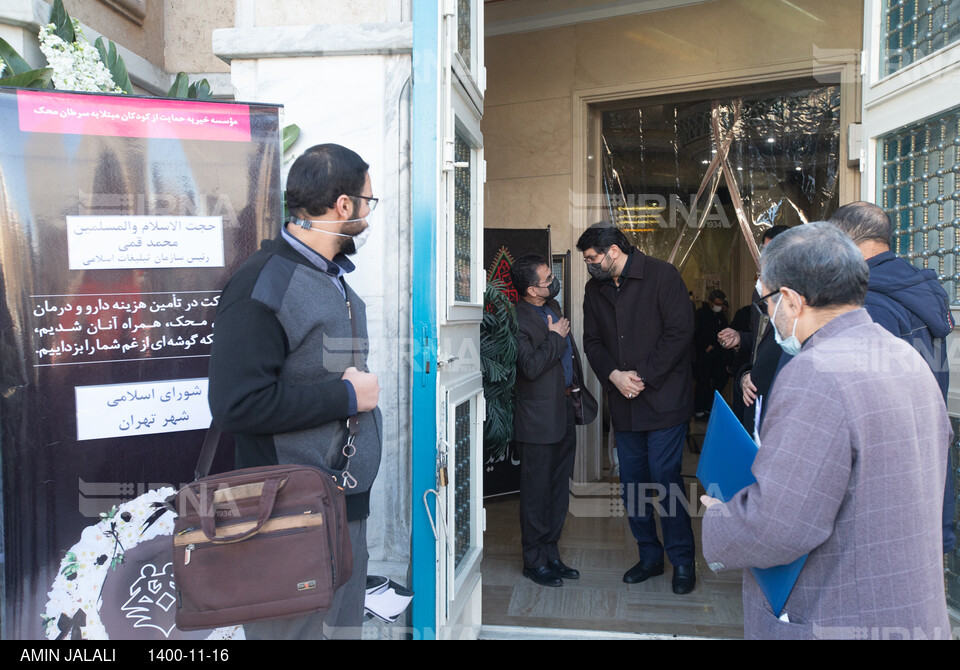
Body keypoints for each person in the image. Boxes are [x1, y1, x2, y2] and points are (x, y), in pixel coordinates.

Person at [701, 222, 952, 640]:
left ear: (791, 300)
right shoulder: (906, 357)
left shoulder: (815, 372)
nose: (768, 315)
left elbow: (779, 525)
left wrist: (720, 517)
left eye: (766, 301)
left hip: (835, 612)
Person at [208, 143, 382, 639]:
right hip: (286, 515)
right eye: (369, 203)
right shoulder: (262, 283)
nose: (369, 217)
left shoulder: (329, 276)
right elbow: (235, 403)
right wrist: (346, 398)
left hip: (344, 506)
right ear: (343, 205)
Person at [577, 222, 697, 595]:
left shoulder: (663, 275)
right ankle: (649, 556)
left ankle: (682, 561)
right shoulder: (593, 289)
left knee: (664, 478)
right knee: (632, 485)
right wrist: (614, 375)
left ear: (614, 251)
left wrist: (639, 376)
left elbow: (680, 332)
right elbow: (592, 342)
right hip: (624, 403)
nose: (588, 265)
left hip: (663, 400)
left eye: (592, 258)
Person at [829, 201, 956, 554]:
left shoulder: (871, 305)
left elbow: (868, 403)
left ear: (845, 240)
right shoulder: (914, 289)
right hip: (923, 458)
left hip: (887, 478)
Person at [511, 254, 596, 587]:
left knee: (559, 491)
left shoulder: (554, 310)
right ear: (533, 290)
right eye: (548, 279)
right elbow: (530, 367)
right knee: (536, 493)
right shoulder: (518, 318)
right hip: (536, 421)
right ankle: (533, 561)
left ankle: (551, 554)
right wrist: (557, 337)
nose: (553, 283)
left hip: (564, 414)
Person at [718, 225, 790, 433]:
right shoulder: (761, 290)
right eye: (764, 251)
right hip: (756, 392)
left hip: (778, 400)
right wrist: (741, 338)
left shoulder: (802, 298)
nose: (766, 259)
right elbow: (762, 339)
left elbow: (786, 345)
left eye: (772, 251)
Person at [693, 289, 729, 419]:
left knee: (717, 382)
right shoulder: (701, 314)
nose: (718, 306)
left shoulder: (721, 316)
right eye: (717, 303)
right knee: (703, 381)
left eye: (721, 303)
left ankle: (709, 408)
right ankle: (699, 410)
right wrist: (705, 346)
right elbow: (696, 333)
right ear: (710, 301)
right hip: (704, 354)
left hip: (717, 352)